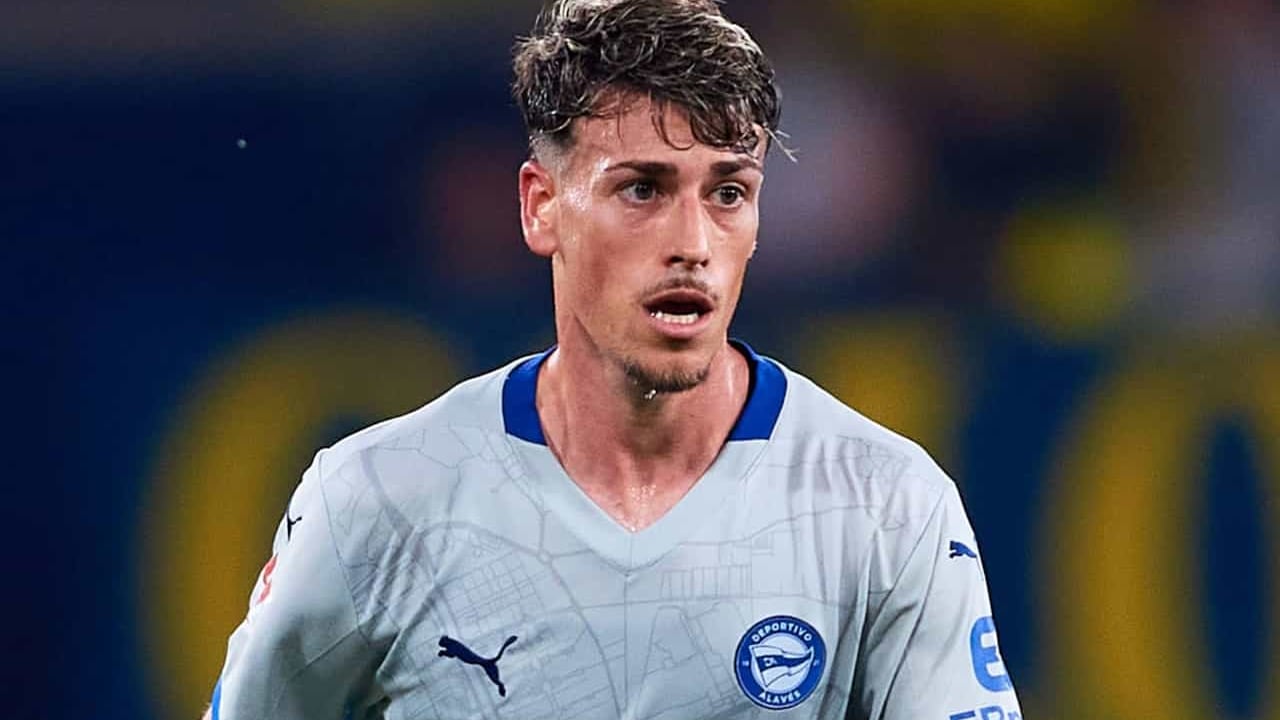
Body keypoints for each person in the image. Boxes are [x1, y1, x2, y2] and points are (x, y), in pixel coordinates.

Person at [204, 1, 1022, 718]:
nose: (692, 243)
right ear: (542, 206)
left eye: (727, 193)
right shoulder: (378, 501)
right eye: (643, 189)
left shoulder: (885, 506)